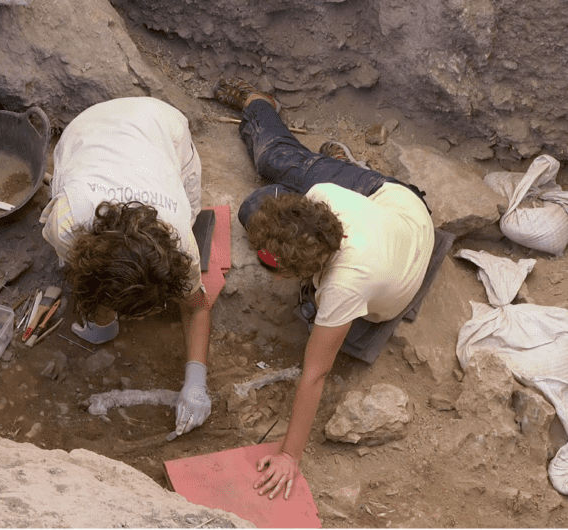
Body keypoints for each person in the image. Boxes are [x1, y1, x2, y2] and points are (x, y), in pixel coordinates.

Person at [213, 78, 435, 500]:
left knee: (254, 204)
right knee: (273, 169)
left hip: (401, 208)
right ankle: (269, 111)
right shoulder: (325, 198)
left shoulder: (344, 287)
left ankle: (274, 115)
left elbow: (314, 373)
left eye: (270, 266)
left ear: (301, 272)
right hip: (382, 205)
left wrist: (289, 455)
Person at [40, 97, 212, 437]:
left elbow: (196, 307)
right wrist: (102, 317)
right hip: (86, 129)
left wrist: (196, 378)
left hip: (160, 122)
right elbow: (86, 275)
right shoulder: (67, 222)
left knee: (191, 210)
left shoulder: (180, 242)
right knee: (75, 260)